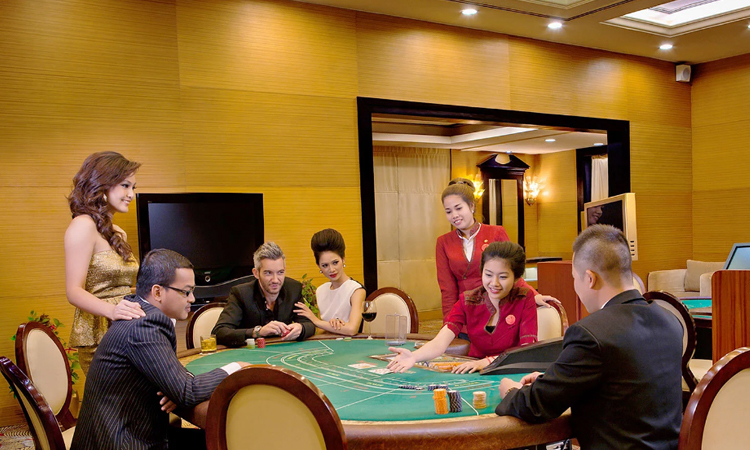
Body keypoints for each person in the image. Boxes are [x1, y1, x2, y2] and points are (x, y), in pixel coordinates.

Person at [495, 225, 683, 450]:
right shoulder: (670, 320)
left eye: (575, 278)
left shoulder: (590, 333)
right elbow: (628, 380)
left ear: (590, 278)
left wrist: (510, 391)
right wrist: (552, 379)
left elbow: (537, 405)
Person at [70, 249, 250, 450]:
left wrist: (174, 388)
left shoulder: (140, 313)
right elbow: (186, 392)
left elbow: (178, 384)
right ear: (157, 292)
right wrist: (236, 368)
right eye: (186, 291)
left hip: (127, 432)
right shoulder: (145, 326)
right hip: (123, 441)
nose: (192, 298)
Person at [388, 241, 537, 374]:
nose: (494, 283)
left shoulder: (525, 298)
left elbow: (526, 350)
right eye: (488, 275)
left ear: (517, 278)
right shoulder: (468, 300)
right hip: (473, 371)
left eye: (503, 277)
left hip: (511, 371)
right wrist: (414, 356)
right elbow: (440, 342)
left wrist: (486, 362)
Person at [436, 177, 554, 339]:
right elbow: (447, 289)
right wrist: (449, 326)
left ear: (471, 206)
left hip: (499, 308)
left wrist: (534, 295)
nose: (454, 215)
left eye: (458, 208)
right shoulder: (443, 242)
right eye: (448, 211)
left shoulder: (495, 233)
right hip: (466, 314)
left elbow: (512, 272)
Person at [64, 151, 146, 374]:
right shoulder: (83, 225)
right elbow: (73, 291)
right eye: (125, 186)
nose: (131, 194)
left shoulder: (117, 233)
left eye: (133, 187)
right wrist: (113, 310)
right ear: (102, 185)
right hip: (99, 333)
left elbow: (119, 287)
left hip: (125, 329)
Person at [212, 242, 315, 346]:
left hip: (282, 349)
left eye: (280, 272)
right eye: (268, 273)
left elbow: (309, 324)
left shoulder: (294, 289)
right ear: (256, 273)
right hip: (250, 351)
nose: (275, 280)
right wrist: (258, 332)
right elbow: (219, 332)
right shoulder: (241, 294)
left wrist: (301, 328)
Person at [294, 229, 366, 336]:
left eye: (335, 262)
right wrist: (329, 325)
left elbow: (352, 329)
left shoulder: (356, 290)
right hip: (327, 342)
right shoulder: (321, 290)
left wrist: (316, 321)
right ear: (318, 266)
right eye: (325, 265)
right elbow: (321, 331)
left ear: (343, 259)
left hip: (350, 343)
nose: (331, 269)